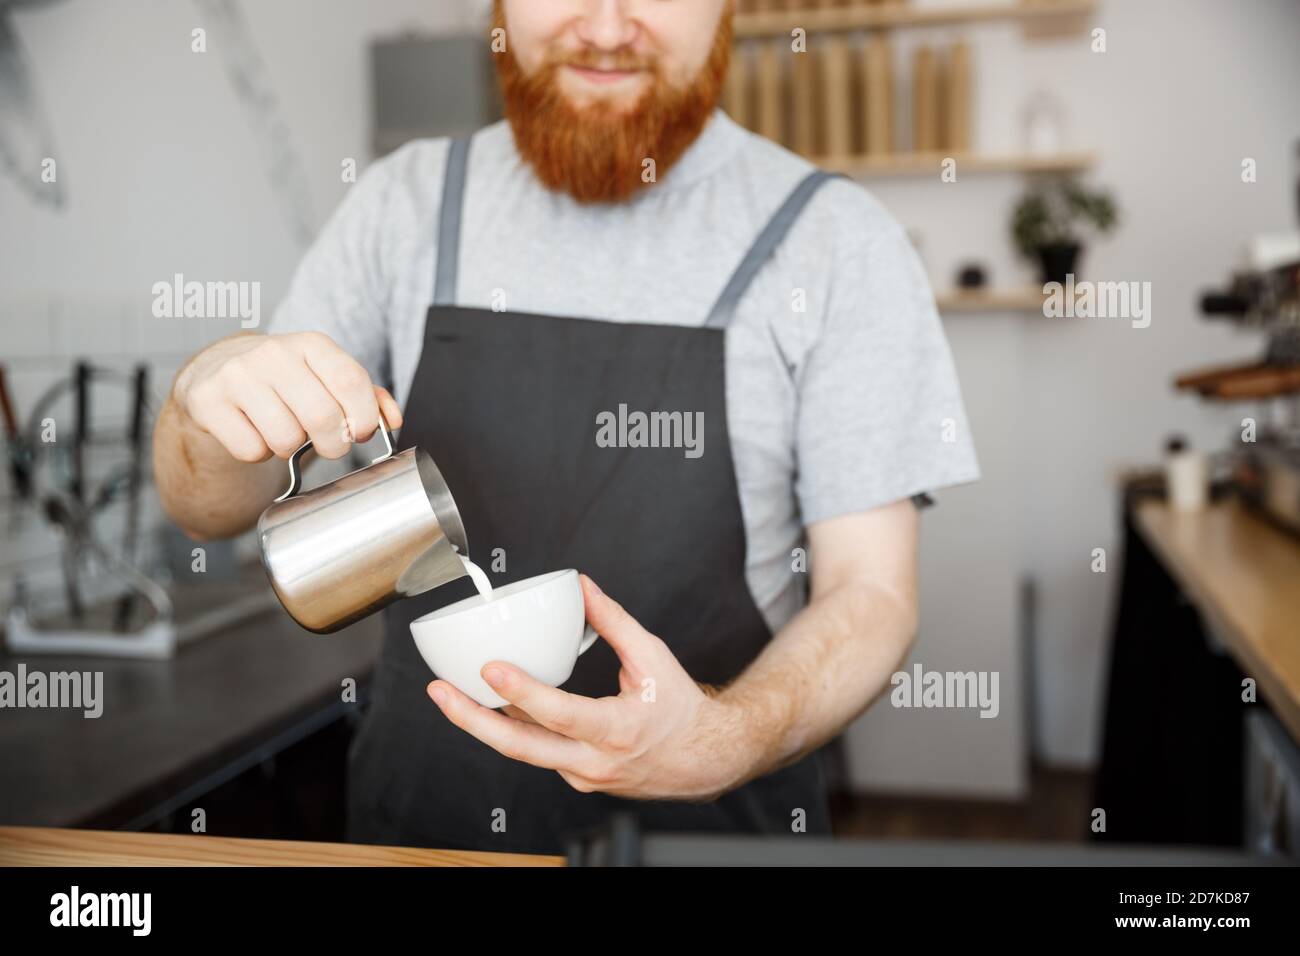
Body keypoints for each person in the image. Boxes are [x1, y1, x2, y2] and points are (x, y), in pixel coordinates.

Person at [153, 0, 979, 855]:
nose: (609, 25)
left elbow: (872, 594)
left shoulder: (836, 242)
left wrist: (726, 738)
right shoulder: (404, 207)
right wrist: (201, 404)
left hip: (708, 836)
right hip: (427, 829)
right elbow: (208, 513)